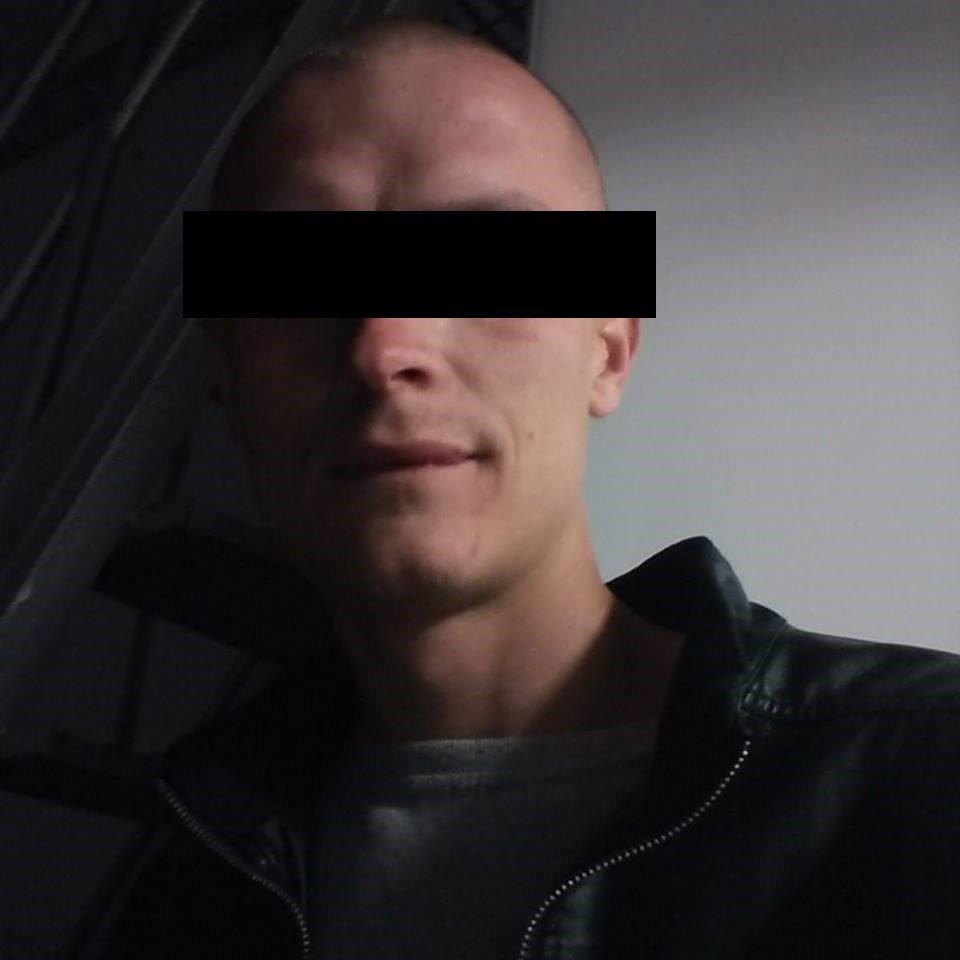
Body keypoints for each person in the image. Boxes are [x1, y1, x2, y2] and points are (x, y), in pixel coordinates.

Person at [87, 15, 960, 960]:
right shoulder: (186, 900)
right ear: (228, 369)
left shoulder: (925, 777)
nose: (385, 346)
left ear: (611, 348)